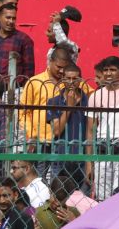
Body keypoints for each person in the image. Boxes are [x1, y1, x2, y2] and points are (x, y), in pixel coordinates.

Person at [85, 55, 119, 201]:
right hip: (102, 151)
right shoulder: (95, 96)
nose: (108, 73)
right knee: (102, 197)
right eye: (106, 70)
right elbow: (90, 130)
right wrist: (89, 163)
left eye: (113, 70)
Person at [47, 63, 89, 191]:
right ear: (63, 79)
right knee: (58, 194)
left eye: (75, 79)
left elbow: (91, 131)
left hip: (82, 158)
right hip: (60, 157)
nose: (71, 82)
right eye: (68, 78)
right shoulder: (54, 101)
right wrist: (69, 108)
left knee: (83, 198)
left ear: (80, 80)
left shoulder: (89, 101)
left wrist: (89, 163)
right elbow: (57, 131)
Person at [20, 44, 71, 148]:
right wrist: (32, 135)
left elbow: (92, 94)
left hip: (66, 142)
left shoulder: (72, 82)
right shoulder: (35, 82)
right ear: (50, 61)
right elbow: (23, 113)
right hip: (39, 141)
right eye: (59, 67)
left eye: (64, 68)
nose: (61, 71)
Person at [0, 2, 36, 82]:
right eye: (8, 18)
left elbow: (29, 72)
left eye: (13, 18)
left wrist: (22, 90)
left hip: (14, 89)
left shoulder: (24, 40)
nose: (11, 21)